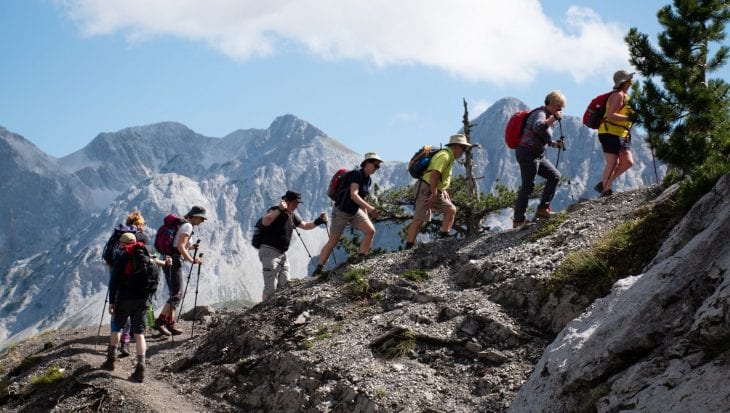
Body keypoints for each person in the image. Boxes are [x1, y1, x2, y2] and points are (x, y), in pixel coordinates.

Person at [313, 153, 383, 275]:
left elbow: (361, 200)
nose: (376, 168)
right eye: (375, 165)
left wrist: (366, 216)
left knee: (370, 231)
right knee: (333, 241)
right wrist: (371, 209)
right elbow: (354, 195)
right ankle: (319, 268)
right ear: (366, 163)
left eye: (378, 167)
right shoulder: (356, 175)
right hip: (341, 211)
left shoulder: (368, 180)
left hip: (355, 211)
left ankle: (361, 260)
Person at [100, 233, 156, 382]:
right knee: (139, 334)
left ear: (123, 244)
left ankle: (111, 360)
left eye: (120, 243)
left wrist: (112, 301)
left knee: (117, 327)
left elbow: (114, 281)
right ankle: (141, 366)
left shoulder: (121, 255)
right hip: (143, 299)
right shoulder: (147, 253)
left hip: (124, 298)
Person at [404, 134, 472, 248]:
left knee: (450, 210)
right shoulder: (445, 156)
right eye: (462, 148)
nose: (463, 151)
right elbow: (434, 175)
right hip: (426, 189)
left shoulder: (449, 156)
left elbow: (439, 176)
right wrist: (434, 193)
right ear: (455, 146)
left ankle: (443, 237)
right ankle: (409, 246)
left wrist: (443, 189)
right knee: (419, 219)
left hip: (430, 188)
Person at [258, 190, 327, 300]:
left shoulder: (292, 215)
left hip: (282, 254)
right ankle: (261, 312)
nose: (296, 206)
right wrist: (280, 209)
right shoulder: (275, 210)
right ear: (286, 201)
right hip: (269, 252)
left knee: (285, 283)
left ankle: (274, 309)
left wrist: (319, 221)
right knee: (270, 287)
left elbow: (305, 225)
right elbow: (266, 221)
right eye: (295, 203)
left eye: (298, 204)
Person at [512, 91, 566, 228]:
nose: (560, 110)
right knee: (528, 186)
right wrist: (554, 118)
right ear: (552, 104)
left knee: (554, 176)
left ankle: (543, 209)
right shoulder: (541, 113)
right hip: (528, 153)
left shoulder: (546, 115)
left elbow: (541, 136)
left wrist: (555, 144)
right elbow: (539, 127)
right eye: (559, 107)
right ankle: (519, 220)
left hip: (537, 154)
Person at [153, 206, 207, 336]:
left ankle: (170, 322)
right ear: (194, 216)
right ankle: (160, 321)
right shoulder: (187, 226)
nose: (202, 221)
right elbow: (180, 246)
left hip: (170, 259)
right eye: (201, 218)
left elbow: (179, 244)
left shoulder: (183, 224)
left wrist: (192, 247)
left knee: (175, 292)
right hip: (174, 261)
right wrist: (192, 260)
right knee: (177, 293)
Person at [594, 70, 635, 197]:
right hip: (610, 132)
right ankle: (606, 190)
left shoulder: (625, 96)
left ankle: (605, 183)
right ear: (624, 82)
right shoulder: (618, 95)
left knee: (628, 162)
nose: (631, 81)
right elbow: (611, 115)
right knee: (613, 163)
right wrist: (629, 118)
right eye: (629, 79)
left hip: (621, 133)